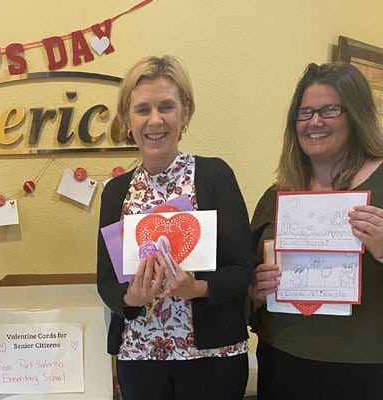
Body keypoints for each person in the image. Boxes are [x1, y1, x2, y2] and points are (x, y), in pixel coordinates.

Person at [96, 55, 253, 400]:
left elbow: (242, 269)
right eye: (142, 109)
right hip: (139, 356)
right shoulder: (115, 192)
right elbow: (106, 281)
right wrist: (130, 298)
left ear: (185, 113)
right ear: (127, 119)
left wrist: (195, 288)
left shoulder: (214, 176)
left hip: (213, 358)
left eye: (166, 106)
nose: (155, 120)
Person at [248, 62, 383, 399]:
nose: (315, 122)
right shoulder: (277, 195)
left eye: (329, 110)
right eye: (304, 112)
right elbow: (244, 278)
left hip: (367, 367)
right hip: (284, 359)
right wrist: (254, 289)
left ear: (356, 115)